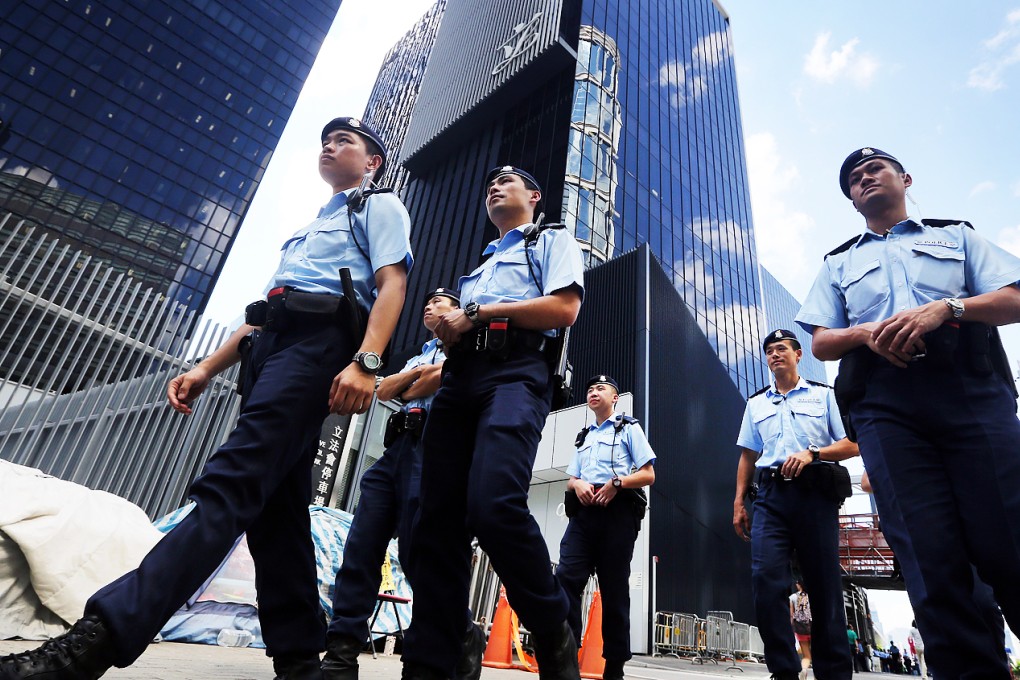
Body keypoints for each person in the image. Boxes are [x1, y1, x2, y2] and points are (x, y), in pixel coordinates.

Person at [0, 117, 413, 680]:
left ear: (372, 162)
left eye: (345, 141)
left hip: (319, 346)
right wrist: (204, 368)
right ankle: (299, 664)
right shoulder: (312, 225)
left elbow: (392, 284)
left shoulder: (378, 207)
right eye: (325, 140)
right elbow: (263, 315)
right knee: (276, 514)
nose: (330, 146)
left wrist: (366, 361)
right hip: (271, 349)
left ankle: (91, 645)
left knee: (230, 485)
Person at [796, 147, 1020, 679]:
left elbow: (1013, 299)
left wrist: (948, 307)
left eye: (875, 169)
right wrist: (866, 333)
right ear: (852, 201)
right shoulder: (838, 263)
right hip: (886, 406)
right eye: (854, 179)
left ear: (906, 179)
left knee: (1008, 536)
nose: (864, 178)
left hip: (971, 391)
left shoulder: (956, 236)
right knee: (928, 556)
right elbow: (822, 340)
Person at [400, 165, 585, 680]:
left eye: (507, 182)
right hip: (460, 380)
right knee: (435, 524)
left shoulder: (549, 240)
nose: (494, 189)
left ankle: (552, 629)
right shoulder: (480, 266)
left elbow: (564, 308)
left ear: (535, 194)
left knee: (493, 504)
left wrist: (477, 312)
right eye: (489, 187)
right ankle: (434, 662)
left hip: (516, 372)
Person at [322, 288, 485, 680]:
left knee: (419, 554)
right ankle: (341, 654)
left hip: (436, 449)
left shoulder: (466, 346)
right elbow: (384, 389)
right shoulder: (418, 354)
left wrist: (413, 381)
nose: (429, 306)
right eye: (427, 303)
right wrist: (416, 375)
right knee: (361, 545)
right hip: (396, 451)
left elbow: (437, 380)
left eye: (439, 302)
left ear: (457, 311)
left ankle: (461, 632)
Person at [733, 328, 859, 680]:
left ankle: (834, 673)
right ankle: (784, 670)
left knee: (824, 586)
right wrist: (738, 502)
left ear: (798, 354)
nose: (775, 355)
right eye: (769, 351)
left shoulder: (823, 395)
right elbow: (747, 455)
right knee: (765, 580)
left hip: (815, 495)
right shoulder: (756, 403)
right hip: (771, 497)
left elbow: (852, 444)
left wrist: (813, 453)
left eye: (781, 348)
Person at [556, 375, 655, 680]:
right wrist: (578, 485)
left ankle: (614, 667)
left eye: (601, 388)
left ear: (615, 398)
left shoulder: (628, 428)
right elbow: (572, 478)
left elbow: (648, 474)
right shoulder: (584, 436)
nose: (593, 392)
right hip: (584, 515)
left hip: (617, 514)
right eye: (590, 389)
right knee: (565, 577)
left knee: (614, 590)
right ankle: (566, 655)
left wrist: (617, 483)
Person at [789, 582, 813, 678]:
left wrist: (792, 626)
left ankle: (804, 669)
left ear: (799, 585)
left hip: (800, 628)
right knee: (817, 654)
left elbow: (791, 615)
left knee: (806, 655)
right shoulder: (812, 595)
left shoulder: (793, 597)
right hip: (812, 626)